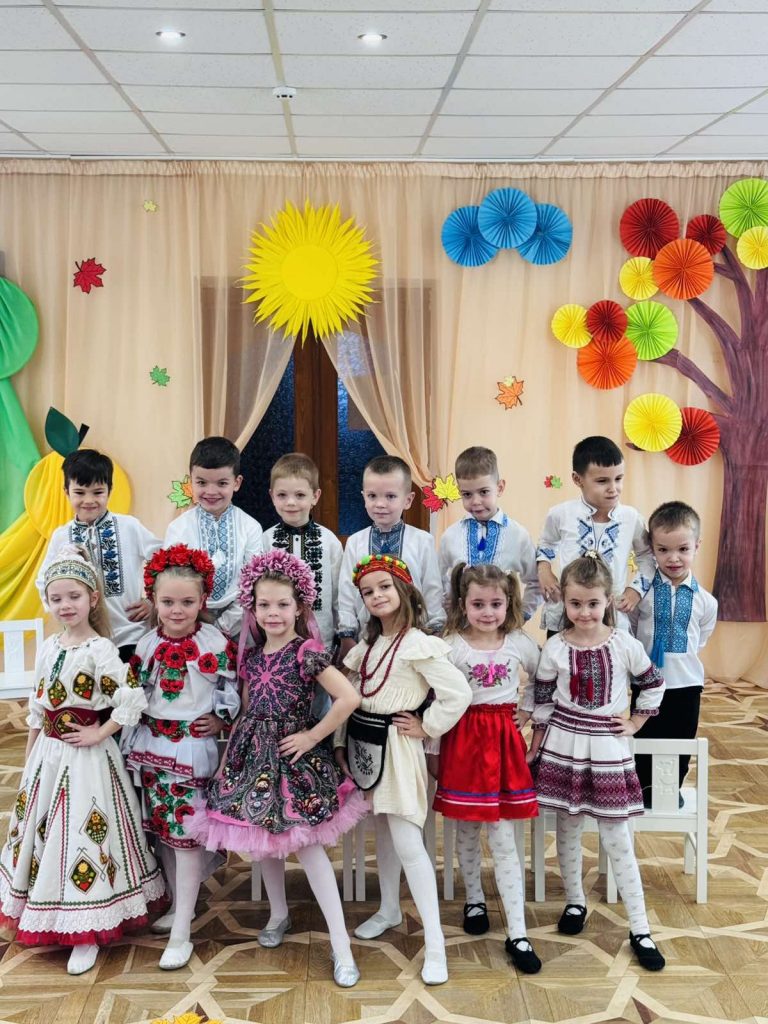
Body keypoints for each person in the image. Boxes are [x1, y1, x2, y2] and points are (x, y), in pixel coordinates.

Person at [199, 550, 368, 987]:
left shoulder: (307, 652)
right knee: (264, 844)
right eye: (264, 605)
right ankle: (278, 914)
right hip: (252, 757)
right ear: (252, 609)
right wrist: (229, 760)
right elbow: (247, 711)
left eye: (282, 604)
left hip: (295, 760)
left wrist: (312, 737)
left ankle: (341, 945)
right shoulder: (253, 657)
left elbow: (348, 698)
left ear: (299, 607)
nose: (272, 613)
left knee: (307, 848)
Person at [0, 547, 164, 976]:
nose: (65, 605)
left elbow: (131, 699)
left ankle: (87, 931)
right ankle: (47, 911)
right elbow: (38, 707)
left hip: (88, 760)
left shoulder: (101, 649)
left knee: (83, 834)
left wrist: (98, 732)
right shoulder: (49, 646)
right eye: (56, 598)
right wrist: (30, 757)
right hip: (49, 758)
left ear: (92, 598)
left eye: (73, 596)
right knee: (44, 835)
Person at [335, 554, 471, 985]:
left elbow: (458, 693)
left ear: (404, 590)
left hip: (397, 748)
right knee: (385, 833)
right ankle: (390, 908)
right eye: (367, 591)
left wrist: (426, 726)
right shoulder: (368, 648)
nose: (376, 596)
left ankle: (436, 944)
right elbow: (352, 696)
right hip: (366, 746)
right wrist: (340, 742)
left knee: (409, 841)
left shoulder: (417, 643)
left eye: (384, 587)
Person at [526, 554, 666, 971]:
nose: (584, 612)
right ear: (564, 602)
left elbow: (653, 683)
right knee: (567, 828)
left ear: (607, 600)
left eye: (592, 603)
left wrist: (636, 722)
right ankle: (575, 902)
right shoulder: (555, 647)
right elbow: (543, 700)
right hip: (564, 744)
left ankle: (640, 928)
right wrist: (535, 746)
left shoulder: (624, 644)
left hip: (607, 747)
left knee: (617, 836)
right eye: (575, 604)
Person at [123, 544, 241, 971]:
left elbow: (232, 690)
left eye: (187, 602)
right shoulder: (147, 643)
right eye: (168, 602)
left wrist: (220, 719)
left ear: (203, 600)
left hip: (191, 752)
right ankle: (179, 907)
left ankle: (181, 935)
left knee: (186, 838)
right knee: (164, 837)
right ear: (153, 600)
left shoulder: (215, 642)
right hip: (150, 748)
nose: (177, 611)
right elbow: (134, 693)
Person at [433, 563, 541, 973]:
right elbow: (436, 695)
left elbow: (544, 678)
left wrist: (527, 711)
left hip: (503, 741)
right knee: (466, 829)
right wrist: (432, 747)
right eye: (478, 604)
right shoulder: (451, 645)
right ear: (463, 604)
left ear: (508, 603)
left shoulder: (519, 642)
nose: (487, 612)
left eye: (496, 604)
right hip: (463, 741)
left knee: (503, 837)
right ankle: (475, 900)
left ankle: (519, 933)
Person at [36, 449, 161, 661]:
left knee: (129, 683)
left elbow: (166, 559)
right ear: (66, 491)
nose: (89, 500)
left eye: (97, 492)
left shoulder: (129, 526)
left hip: (131, 636)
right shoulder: (61, 536)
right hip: (83, 640)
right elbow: (43, 582)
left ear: (110, 490)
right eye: (80, 492)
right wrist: (64, 608)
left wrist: (154, 600)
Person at [631, 502, 717, 805]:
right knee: (645, 735)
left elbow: (701, 637)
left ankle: (671, 789)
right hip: (646, 682)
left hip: (687, 684)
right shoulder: (641, 593)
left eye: (683, 549)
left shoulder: (707, 601)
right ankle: (643, 788)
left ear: (697, 546)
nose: (673, 558)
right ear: (651, 549)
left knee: (681, 737)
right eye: (663, 549)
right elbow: (632, 630)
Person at [536, 436, 654, 637]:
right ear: (577, 479)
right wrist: (544, 571)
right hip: (567, 613)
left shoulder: (631, 518)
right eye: (602, 481)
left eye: (618, 479)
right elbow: (546, 543)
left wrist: (636, 590)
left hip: (611, 614)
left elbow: (647, 557)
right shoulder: (561, 514)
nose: (613, 488)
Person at [337, 455, 445, 659]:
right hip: (366, 640)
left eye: (390, 496)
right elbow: (346, 592)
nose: (380, 504)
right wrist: (346, 634)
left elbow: (432, 590)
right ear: (363, 497)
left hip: (414, 641)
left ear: (408, 500)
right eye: (372, 496)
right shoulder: (355, 542)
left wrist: (435, 632)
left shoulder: (422, 541)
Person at [262, 452, 343, 716]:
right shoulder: (265, 540)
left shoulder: (329, 541)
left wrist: (342, 635)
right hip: (276, 640)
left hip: (322, 639)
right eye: (282, 495)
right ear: (272, 496)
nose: (291, 502)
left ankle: (319, 739)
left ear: (315, 496)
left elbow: (339, 596)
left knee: (318, 703)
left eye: (299, 495)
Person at [164, 436, 263, 638]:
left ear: (237, 483)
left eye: (222, 483)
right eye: (201, 482)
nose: (211, 491)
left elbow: (254, 583)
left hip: (239, 620)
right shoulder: (178, 528)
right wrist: (194, 622)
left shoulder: (250, 527)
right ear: (191, 482)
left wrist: (223, 627)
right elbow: (171, 582)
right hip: (189, 619)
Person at [438, 446, 541, 622]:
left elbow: (536, 582)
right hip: (460, 628)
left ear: (499, 488)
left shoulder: (518, 535)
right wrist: (450, 605)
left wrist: (520, 615)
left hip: (503, 630)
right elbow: (437, 579)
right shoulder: (450, 536)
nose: (476, 501)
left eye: (484, 492)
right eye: (467, 494)